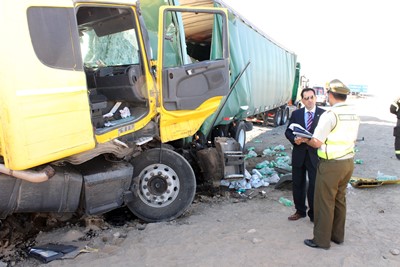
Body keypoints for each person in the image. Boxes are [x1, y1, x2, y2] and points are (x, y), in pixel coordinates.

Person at [303, 79, 360, 249]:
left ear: (330, 95)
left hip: (331, 165)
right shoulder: (354, 113)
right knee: (339, 199)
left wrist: (306, 139)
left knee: (324, 201)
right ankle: (337, 236)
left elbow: (317, 142)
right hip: (348, 163)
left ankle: (321, 240)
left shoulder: (331, 115)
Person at [285, 88, 325, 222]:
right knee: (298, 184)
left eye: (311, 97)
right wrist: (294, 140)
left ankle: (314, 214)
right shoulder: (296, 114)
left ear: (316, 98)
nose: (309, 100)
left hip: (315, 156)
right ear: (302, 100)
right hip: (299, 154)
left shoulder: (323, 114)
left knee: (314, 185)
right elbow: (288, 132)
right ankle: (300, 211)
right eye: (306, 98)